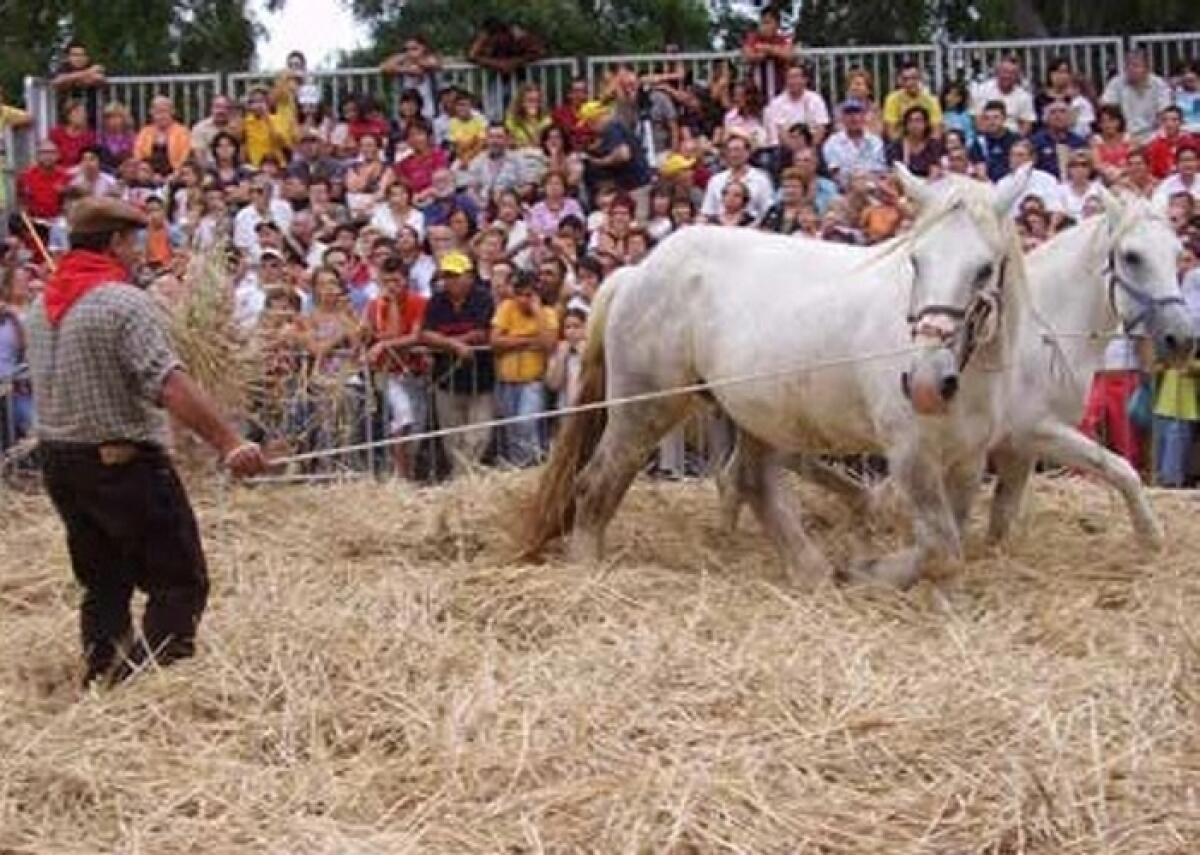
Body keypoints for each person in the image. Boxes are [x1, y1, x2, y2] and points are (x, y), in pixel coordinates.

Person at [25, 197, 266, 688]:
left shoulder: (41, 305)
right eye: (134, 242)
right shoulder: (122, 302)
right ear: (114, 242)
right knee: (178, 580)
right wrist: (230, 442)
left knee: (104, 582)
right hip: (121, 462)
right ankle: (149, 687)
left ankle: (104, 672)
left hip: (61, 461)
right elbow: (168, 383)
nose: (140, 253)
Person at [421, 251, 496, 474]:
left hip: (480, 380)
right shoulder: (437, 300)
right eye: (447, 276)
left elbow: (481, 333)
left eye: (455, 275)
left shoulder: (482, 298)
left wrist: (445, 342)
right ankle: (459, 478)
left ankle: (466, 476)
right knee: (451, 436)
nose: (450, 281)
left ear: (470, 276)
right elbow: (425, 334)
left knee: (478, 435)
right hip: (446, 379)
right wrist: (455, 346)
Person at [362, 256, 428, 478]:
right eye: (387, 281)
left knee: (416, 430)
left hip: (416, 373)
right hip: (387, 374)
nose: (392, 286)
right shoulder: (373, 307)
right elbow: (366, 335)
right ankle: (400, 475)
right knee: (403, 417)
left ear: (406, 280)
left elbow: (415, 336)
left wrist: (384, 343)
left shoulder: (419, 303)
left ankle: (408, 472)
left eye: (397, 281)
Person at [492, 271, 557, 467]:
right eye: (519, 294)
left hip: (532, 381)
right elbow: (495, 341)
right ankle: (517, 468)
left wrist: (537, 313)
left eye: (528, 295)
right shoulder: (506, 307)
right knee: (511, 428)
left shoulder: (547, 313)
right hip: (506, 380)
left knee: (526, 423)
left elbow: (548, 344)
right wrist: (528, 341)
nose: (523, 300)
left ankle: (533, 464)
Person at [468, 18, 546, 121]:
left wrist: (514, 62)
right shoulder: (490, 39)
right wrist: (498, 64)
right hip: (500, 80)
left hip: (519, 79)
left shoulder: (518, 37)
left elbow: (539, 52)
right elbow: (472, 55)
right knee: (492, 112)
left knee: (520, 109)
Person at [579, 101, 651, 209]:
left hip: (637, 186)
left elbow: (624, 154)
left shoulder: (611, 128)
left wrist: (599, 161)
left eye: (589, 124)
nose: (590, 128)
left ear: (594, 120)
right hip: (633, 185)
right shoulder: (615, 127)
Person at [1101, 49, 1173, 145]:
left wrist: (1150, 140)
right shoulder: (1116, 83)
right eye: (1127, 66)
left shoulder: (1159, 84)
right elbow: (1107, 109)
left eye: (1136, 65)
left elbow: (1164, 114)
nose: (1131, 69)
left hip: (1153, 135)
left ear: (1147, 68)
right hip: (1123, 136)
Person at [701, 133, 774, 223]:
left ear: (748, 152)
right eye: (729, 151)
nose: (733, 155)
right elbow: (708, 212)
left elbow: (766, 211)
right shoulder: (716, 180)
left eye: (737, 150)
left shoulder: (761, 179)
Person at [822, 100, 887, 187]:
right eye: (848, 114)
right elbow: (835, 174)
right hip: (844, 189)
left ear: (864, 117)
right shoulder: (832, 142)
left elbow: (879, 171)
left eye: (857, 113)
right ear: (842, 118)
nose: (853, 118)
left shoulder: (875, 141)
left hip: (873, 187)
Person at [764, 63, 831, 147]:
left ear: (805, 80)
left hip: (812, 146)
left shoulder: (816, 99)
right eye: (790, 78)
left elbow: (821, 128)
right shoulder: (776, 103)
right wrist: (795, 150)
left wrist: (810, 148)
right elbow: (780, 131)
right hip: (785, 147)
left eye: (796, 77)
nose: (793, 81)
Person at [380, 36, 442, 120]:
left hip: (430, 114)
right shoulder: (403, 65)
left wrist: (418, 64)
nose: (410, 53)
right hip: (406, 115)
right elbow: (384, 67)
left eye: (414, 48)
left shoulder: (430, 62)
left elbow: (436, 64)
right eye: (407, 50)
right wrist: (406, 69)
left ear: (424, 48)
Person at [970, 55, 1036, 136]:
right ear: (997, 72)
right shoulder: (982, 90)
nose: (1007, 76)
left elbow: (1027, 123)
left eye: (1012, 73)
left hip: (1012, 138)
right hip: (987, 136)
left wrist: (1017, 141)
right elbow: (977, 119)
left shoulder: (1024, 96)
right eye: (1004, 71)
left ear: (1018, 76)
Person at [51, 39, 107, 128]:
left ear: (87, 58)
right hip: (66, 122)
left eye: (82, 55)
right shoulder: (64, 68)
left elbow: (99, 79)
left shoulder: (93, 67)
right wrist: (87, 73)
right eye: (75, 55)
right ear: (68, 57)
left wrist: (71, 80)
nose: (79, 58)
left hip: (91, 121)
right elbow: (57, 81)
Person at [740, 6, 793, 100]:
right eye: (762, 22)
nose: (764, 26)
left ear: (777, 24)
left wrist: (767, 49)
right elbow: (747, 55)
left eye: (768, 22)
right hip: (757, 91)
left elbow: (788, 54)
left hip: (779, 90)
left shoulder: (782, 39)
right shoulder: (753, 38)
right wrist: (766, 54)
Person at [1028, 99, 1087, 179]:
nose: (1058, 116)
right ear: (1046, 119)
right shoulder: (1035, 142)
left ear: (1069, 117)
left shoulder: (1079, 142)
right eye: (1053, 112)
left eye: (1062, 111)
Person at [882, 62, 942, 141]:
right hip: (901, 144)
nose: (910, 83)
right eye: (905, 79)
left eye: (914, 78)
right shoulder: (892, 99)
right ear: (900, 80)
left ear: (920, 78)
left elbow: (936, 132)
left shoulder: (931, 100)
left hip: (926, 145)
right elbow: (891, 132)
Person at [18, 140, 71, 222]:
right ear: (37, 155)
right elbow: (21, 202)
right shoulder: (25, 176)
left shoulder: (65, 176)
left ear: (58, 155)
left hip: (58, 222)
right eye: (44, 152)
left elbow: (69, 204)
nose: (48, 156)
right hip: (33, 221)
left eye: (52, 152)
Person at [885, 105, 944, 178]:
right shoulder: (896, 145)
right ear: (906, 125)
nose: (914, 124)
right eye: (910, 121)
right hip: (903, 182)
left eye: (918, 120)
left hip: (929, 183)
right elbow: (893, 169)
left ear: (926, 123)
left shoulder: (934, 145)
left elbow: (936, 168)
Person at [967, 100, 1019, 182]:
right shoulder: (979, 142)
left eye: (996, 117)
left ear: (1004, 118)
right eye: (987, 118)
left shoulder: (1016, 140)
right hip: (988, 185)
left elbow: (1019, 169)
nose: (991, 122)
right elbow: (980, 171)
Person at [1144, 106, 1197, 180]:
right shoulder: (1154, 145)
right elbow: (1150, 171)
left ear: (1182, 122)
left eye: (1174, 120)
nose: (1169, 124)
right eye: (1165, 120)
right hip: (1162, 184)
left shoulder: (1192, 142)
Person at [190, 95, 237, 167]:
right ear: (211, 109)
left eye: (226, 108)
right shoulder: (200, 128)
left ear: (231, 111)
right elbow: (199, 156)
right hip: (209, 170)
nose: (221, 111)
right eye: (218, 107)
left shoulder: (237, 128)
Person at [1152, 142, 1200, 210]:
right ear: (1177, 164)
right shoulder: (1166, 185)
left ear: (1198, 162)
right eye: (1184, 160)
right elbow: (1157, 208)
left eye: (1191, 160)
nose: (1187, 164)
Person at [49, 99, 96, 169]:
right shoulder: (56, 133)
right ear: (68, 115)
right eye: (77, 112)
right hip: (59, 172)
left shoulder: (90, 136)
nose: (82, 115)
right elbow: (49, 156)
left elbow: (92, 159)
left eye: (83, 112)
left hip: (82, 173)